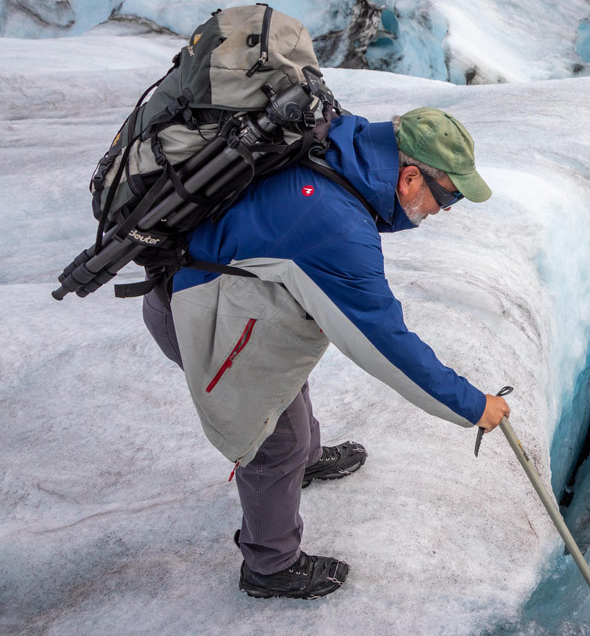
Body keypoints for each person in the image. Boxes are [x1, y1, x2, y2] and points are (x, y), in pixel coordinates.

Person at [142, 107, 511, 599]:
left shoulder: (343, 143)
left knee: (286, 367)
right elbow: (386, 343)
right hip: (197, 311)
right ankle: (270, 565)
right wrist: (473, 404)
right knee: (277, 442)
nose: (444, 210)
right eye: (448, 196)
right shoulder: (336, 227)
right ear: (408, 176)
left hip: (220, 292)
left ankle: (309, 460)